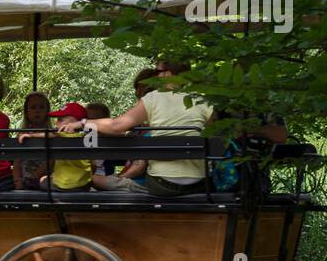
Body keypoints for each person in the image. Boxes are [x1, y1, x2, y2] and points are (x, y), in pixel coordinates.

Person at [58, 61, 213, 197]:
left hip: (162, 185)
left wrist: (83, 123)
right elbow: (215, 136)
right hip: (199, 185)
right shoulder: (202, 100)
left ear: (168, 73)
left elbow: (116, 126)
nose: (156, 76)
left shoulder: (153, 99)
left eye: (157, 72)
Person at [92, 68, 157, 192]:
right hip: (136, 177)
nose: (137, 92)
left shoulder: (150, 129)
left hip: (139, 182)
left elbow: (139, 166)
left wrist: (119, 177)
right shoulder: (140, 127)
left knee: (92, 180)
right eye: (137, 87)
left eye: (142, 87)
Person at [17, 102, 93, 191]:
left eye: (61, 119)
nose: (57, 123)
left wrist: (31, 135)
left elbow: (50, 134)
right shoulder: (89, 138)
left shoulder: (61, 136)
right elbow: (93, 165)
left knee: (43, 180)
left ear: (76, 122)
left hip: (63, 185)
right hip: (83, 184)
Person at [13, 92, 51, 189]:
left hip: (45, 180)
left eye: (41, 107)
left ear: (47, 111)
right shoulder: (22, 135)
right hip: (25, 180)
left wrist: (36, 175)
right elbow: (17, 162)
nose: (37, 111)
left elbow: (52, 161)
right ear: (26, 112)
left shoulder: (51, 134)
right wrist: (17, 179)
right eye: (33, 107)